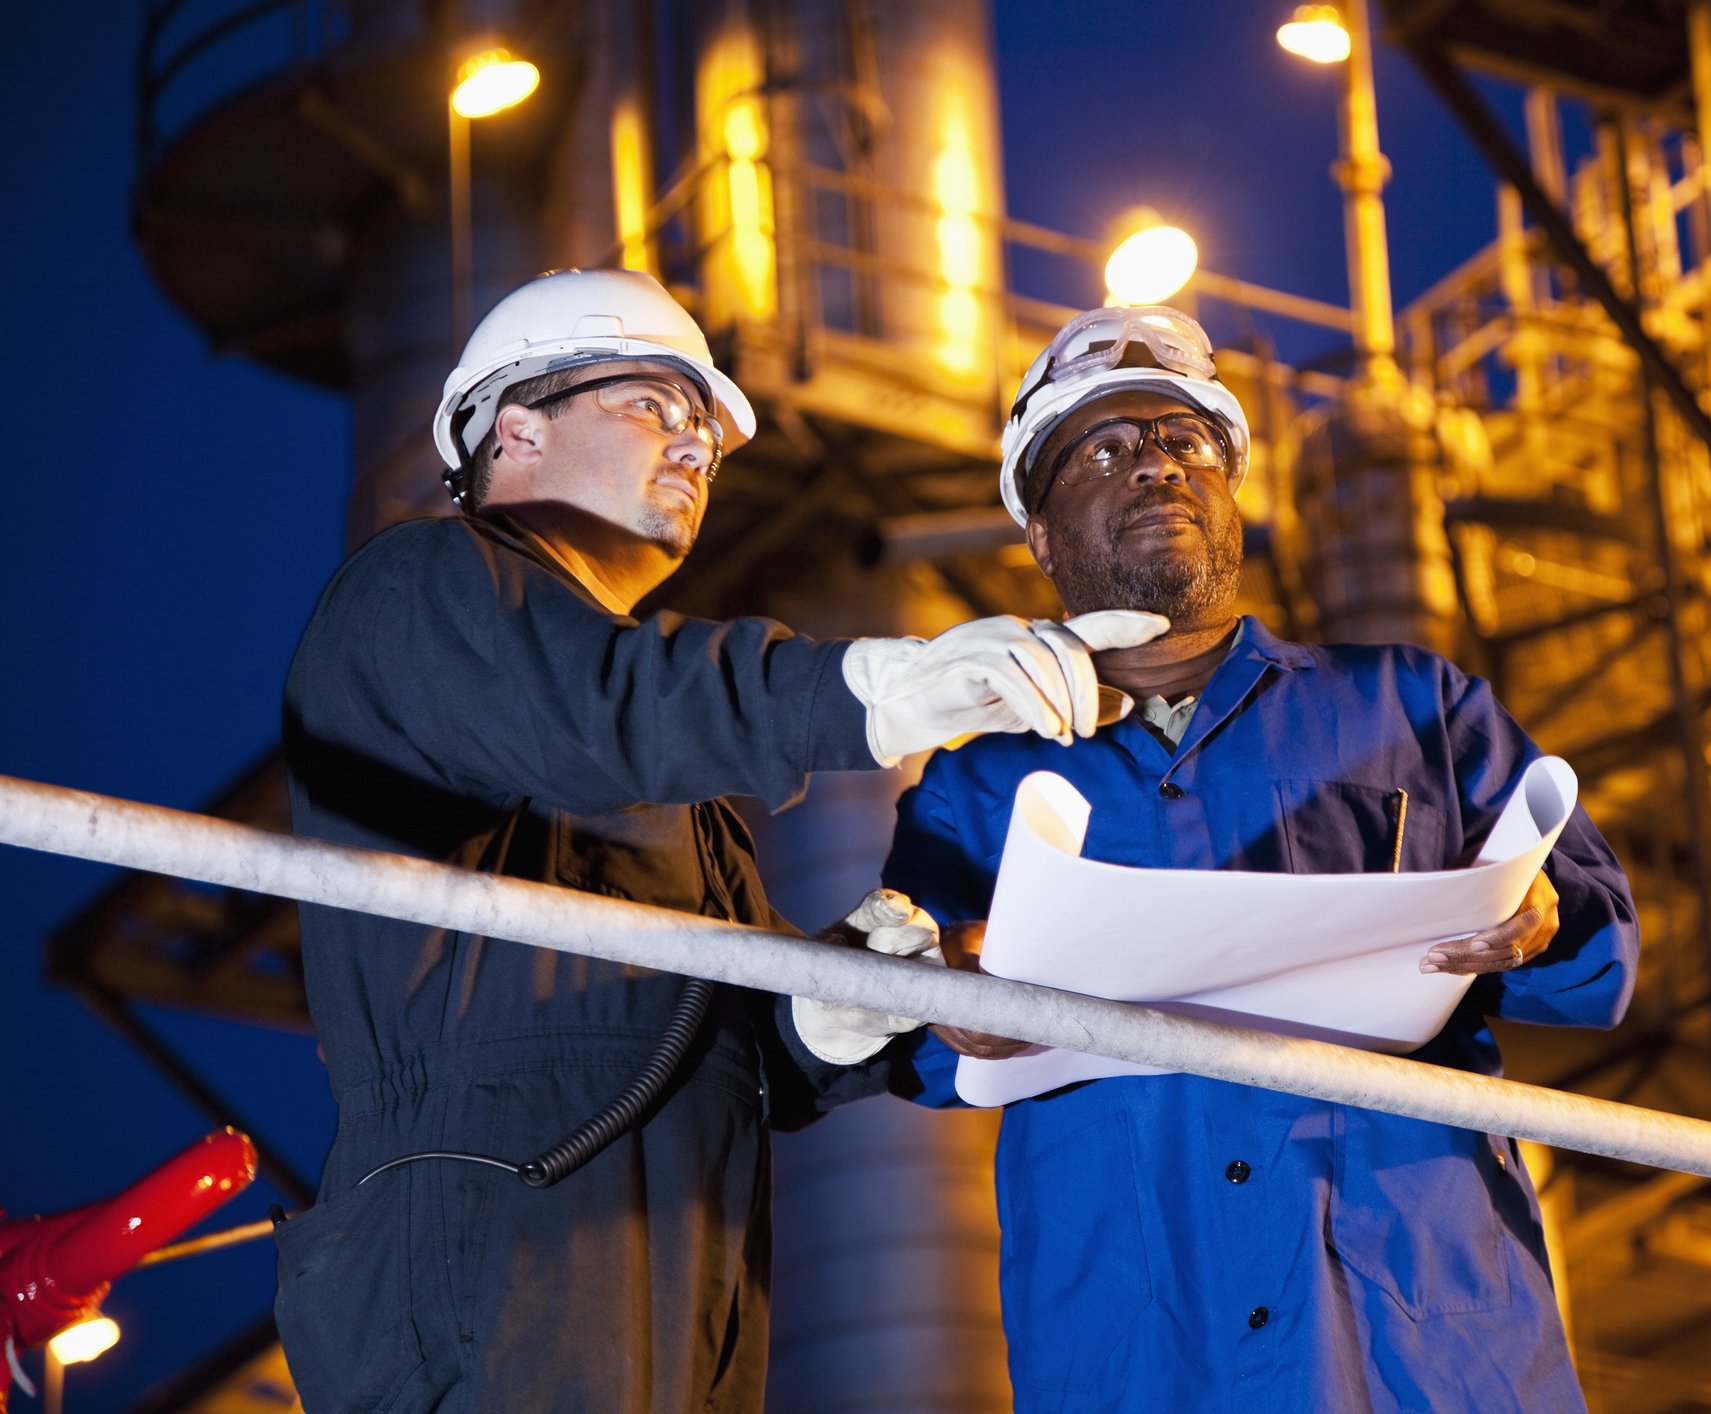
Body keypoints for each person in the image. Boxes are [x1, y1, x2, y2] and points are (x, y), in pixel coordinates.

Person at [274, 269, 1163, 1414]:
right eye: (654, 404)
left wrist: (823, 1012)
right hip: (483, 1225)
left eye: (708, 427)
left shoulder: (661, 774)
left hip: (670, 1240)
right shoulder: (423, 589)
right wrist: (881, 686)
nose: (697, 445)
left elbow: (686, 1035)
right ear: (517, 427)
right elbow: (615, 711)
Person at [881, 306, 1639, 1412]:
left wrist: (1540, 919)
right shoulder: (972, 789)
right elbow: (898, 1045)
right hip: (1144, 1354)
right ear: (1040, 534)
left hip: (1419, 1339)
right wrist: (949, 1003)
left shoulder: (1410, 708)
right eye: (1105, 450)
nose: (1157, 466)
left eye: (1185, 442)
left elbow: (1599, 960)